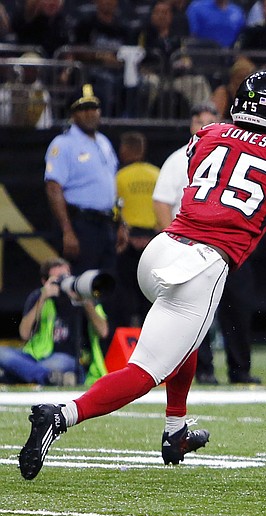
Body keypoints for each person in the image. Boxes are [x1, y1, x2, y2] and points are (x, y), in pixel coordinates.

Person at [18, 70, 266, 481]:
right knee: (145, 371)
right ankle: (61, 416)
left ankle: (175, 430)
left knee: (189, 336)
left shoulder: (209, 134)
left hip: (163, 250)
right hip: (201, 263)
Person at [152, 103, 259, 385]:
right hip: (192, 246)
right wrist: (173, 242)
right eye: (199, 121)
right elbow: (161, 202)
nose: (204, 127)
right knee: (196, 314)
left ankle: (240, 370)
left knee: (237, 308)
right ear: (191, 125)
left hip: (229, 245)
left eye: (210, 121)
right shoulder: (179, 159)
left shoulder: (237, 156)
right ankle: (204, 370)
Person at [44, 85, 127, 277]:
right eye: (83, 109)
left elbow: (110, 186)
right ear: (73, 114)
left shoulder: (103, 142)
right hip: (81, 224)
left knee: (106, 282)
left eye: (94, 108)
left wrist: (121, 222)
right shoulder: (62, 144)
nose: (90, 113)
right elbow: (53, 188)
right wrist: (67, 231)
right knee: (81, 285)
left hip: (106, 223)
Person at [0, 258, 108, 386]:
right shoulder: (38, 296)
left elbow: (103, 331)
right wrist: (43, 298)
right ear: (45, 281)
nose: (63, 281)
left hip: (69, 357)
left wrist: (85, 302)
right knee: (3, 353)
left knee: (52, 364)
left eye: (66, 277)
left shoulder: (83, 295)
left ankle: (16, 375)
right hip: (35, 355)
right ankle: (48, 377)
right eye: (58, 279)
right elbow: (24, 333)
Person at [115, 132, 159, 328]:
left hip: (128, 242)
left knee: (125, 294)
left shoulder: (120, 177)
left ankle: (126, 338)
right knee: (150, 296)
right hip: (153, 241)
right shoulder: (157, 174)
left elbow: (115, 209)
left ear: (125, 150)